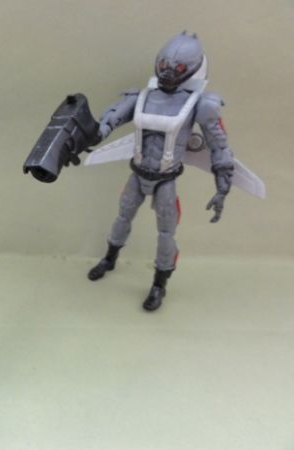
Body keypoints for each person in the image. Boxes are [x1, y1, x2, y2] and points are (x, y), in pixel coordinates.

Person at [86, 32, 234, 311]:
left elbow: (219, 145)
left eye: (178, 68)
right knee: (121, 218)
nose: (168, 72)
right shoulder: (141, 97)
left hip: (166, 180)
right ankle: (109, 259)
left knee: (166, 234)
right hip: (137, 173)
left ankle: (159, 285)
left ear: (191, 69)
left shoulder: (201, 104)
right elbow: (106, 123)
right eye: (164, 65)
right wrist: (83, 136)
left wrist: (222, 183)